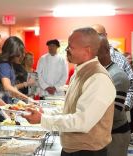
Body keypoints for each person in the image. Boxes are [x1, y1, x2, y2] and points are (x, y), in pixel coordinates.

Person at [23, 27, 116, 156]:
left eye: (70, 47)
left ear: (87, 50)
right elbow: (69, 108)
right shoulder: (80, 73)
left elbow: (82, 122)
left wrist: (43, 119)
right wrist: (44, 111)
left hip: (88, 152)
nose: (67, 50)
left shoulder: (98, 78)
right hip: (73, 149)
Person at [92, 24, 133, 145]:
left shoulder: (119, 59)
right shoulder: (90, 58)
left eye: (99, 35)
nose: (96, 39)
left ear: (106, 36)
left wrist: (126, 105)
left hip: (115, 127)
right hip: (94, 126)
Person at [97, 36, 130, 156]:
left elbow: (114, 113)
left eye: (96, 49)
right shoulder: (100, 71)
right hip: (103, 134)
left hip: (115, 135)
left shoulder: (117, 76)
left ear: (107, 50)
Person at [0, 36, 29, 104]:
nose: (21, 56)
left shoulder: (9, 64)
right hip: (3, 104)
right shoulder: (4, 64)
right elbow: (7, 86)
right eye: (19, 53)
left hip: (7, 101)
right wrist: (27, 98)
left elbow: (11, 88)